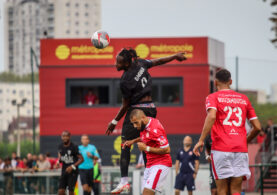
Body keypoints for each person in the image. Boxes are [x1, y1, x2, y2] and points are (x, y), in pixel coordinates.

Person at [105, 48, 186, 193]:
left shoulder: (125, 81)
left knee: (125, 145)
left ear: (127, 62)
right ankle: (151, 174)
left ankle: (124, 181)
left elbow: (125, 105)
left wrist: (114, 121)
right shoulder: (141, 63)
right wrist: (175, 56)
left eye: (119, 62)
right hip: (151, 108)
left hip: (137, 111)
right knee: (145, 141)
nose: (116, 64)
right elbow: (159, 61)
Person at [193, 69, 262, 195]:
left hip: (221, 149)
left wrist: (201, 140)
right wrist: (245, 141)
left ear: (215, 83)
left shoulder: (212, 97)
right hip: (240, 150)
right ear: (230, 81)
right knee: (236, 189)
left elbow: (212, 116)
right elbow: (257, 127)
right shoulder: (244, 99)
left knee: (222, 190)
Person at [124, 109, 172, 195]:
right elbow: (146, 136)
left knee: (147, 192)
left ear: (143, 117)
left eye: (136, 122)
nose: (135, 126)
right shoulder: (145, 122)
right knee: (145, 193)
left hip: (160, 164)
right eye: (133, 123)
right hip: (150, 165)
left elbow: (167, 149)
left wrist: (146, 148)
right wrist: (132, 141)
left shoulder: (155, 129)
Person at [58, 130, 84, 195]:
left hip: (73, 172)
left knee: (70, 191)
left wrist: (72, 167)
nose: (65, 138)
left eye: (66, 136)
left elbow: (81, 159)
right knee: (61, 191)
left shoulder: (74, 147)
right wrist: (58, 162)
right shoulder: (60, 146)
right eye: (63, 136)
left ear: (69, 137)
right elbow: (60, 158)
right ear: (61, 137)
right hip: (64, 171)